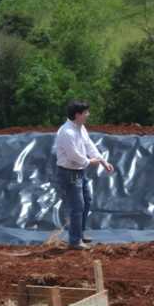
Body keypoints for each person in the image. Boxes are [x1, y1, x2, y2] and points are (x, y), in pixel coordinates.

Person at [55, 100, 114, 250]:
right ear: (77, 115)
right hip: (69, 172)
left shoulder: (80, 128)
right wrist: (89, 162)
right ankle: (75, 241)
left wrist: (102, 161)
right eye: (85, 112)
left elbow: (89, 145)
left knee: (86, 200)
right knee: (77, 205)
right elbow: (73, 155)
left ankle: (79, 234)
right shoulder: (67, 132)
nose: (88, 114)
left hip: (78, 171)